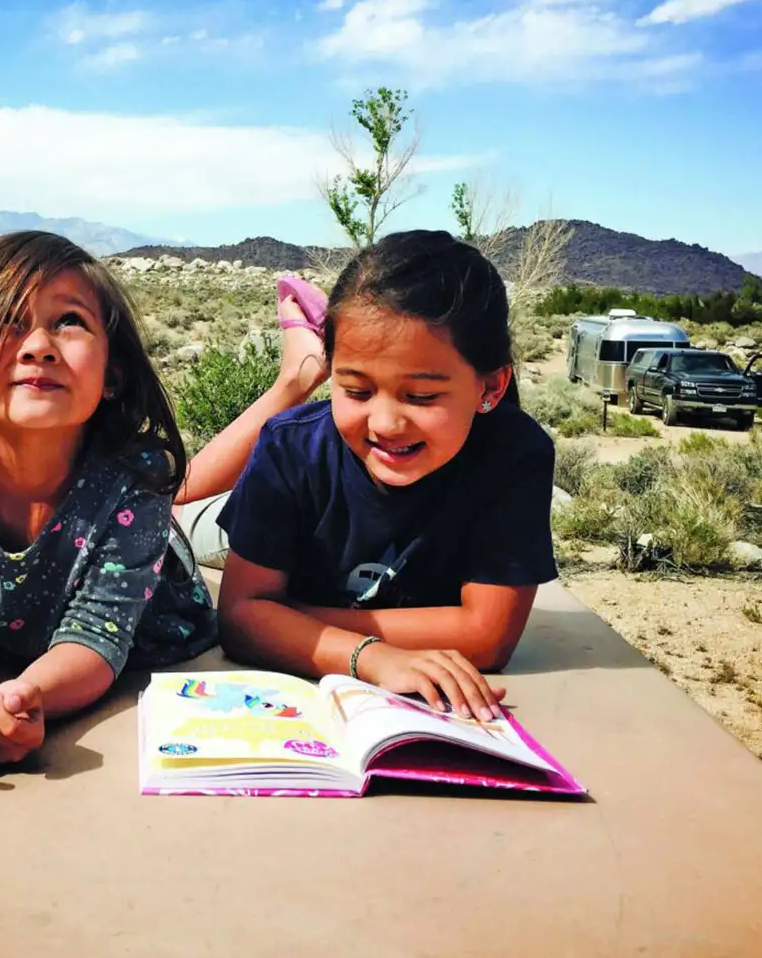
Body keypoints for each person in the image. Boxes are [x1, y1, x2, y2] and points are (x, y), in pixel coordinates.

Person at [0, 231, 329, 774]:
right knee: (174, 489)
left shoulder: (135, 481)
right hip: (129, 511)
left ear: (112, 376)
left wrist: (22, 696)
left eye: (69, 321)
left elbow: (97, 636)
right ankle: (297, 376)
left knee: (168, 494)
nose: (37, 345)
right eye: (6, 319)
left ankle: (298, 378)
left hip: (153, 605)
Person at [216, 231, 558, 724]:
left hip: (296, 578)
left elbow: (489, 637)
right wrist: (370, 657)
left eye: (420, 397)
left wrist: (284, 616)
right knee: (174, 500)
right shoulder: (289, 447)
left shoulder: (515, 454)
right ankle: (299, 367)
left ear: (491, 386)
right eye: (355, 390)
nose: (385, 424)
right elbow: (239, 619)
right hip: (222, 525)